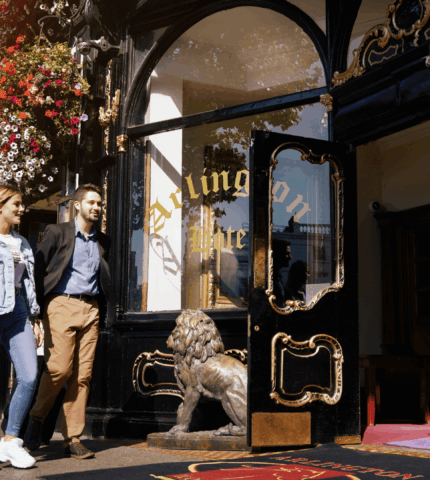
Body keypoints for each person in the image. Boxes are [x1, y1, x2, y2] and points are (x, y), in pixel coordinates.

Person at [24, 184, 111, 460]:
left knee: (82, 377)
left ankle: (73, 438)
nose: (96, 207)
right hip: (61, 303)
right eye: (91, 203)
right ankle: (36, 420)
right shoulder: (57, 232)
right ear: (77, 205)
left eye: (100, 203)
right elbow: (38, 270)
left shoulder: (103, 241)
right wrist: (36, 311)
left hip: (92, 308)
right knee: (59, 369)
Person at [0, 184, 42, 469]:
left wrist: (34, 317)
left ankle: (11, 440)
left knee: (28, 375)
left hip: (17, 313)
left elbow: (28, 284)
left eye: (21, 203)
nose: (21, 209)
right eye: (16, 203)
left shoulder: (23, 243)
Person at [272, 237, 292, 307]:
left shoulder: (278, 276)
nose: (290, 257)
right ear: (276, 255)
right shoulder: (271, 279)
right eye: (287, 254)